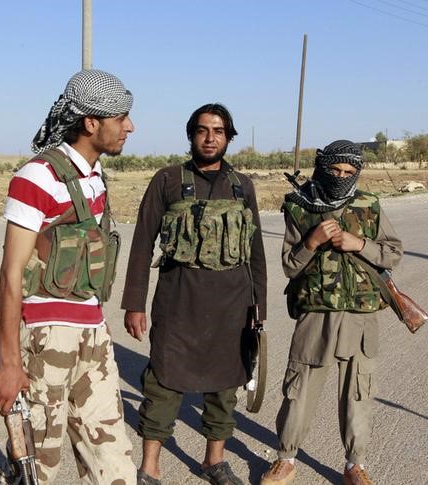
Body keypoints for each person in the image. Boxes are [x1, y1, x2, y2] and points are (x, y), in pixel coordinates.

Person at [0, 69, 137, 484]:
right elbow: (11, 274)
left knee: (116, 464)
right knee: (38, 468)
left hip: (93, 338)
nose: (130, 126)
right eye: (120, 118)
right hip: (45, 340)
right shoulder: (36, 176)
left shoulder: (95, 176)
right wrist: (11, 363)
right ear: (91, 123)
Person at [121, 103, 267, 485]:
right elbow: (141, 244)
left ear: (229, 138)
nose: (210, 138)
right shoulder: (167, 180)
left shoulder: (243, 186)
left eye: (218, 131)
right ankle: (150, 467)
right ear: (191, 135)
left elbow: (255, 254)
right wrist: (134, 304)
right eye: (202, 130)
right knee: (163, 382)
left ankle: (213, 461)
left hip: (232, 305)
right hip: (178, 302)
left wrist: (259, 307)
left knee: (225, 386)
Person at [260, 140, 403, 485]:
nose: (340, 177)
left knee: (358, 392)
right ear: (322, 169)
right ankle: (286, 459)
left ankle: (355, 465)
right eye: (334, 171)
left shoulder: (369, 204)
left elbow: (393, 253)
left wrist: (359, 244)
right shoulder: (299, 206)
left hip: (360, 315)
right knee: (300, 388)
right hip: (316, 311)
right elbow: (289, 266)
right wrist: (310, 242)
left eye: (348, 172)